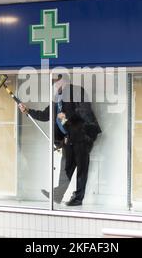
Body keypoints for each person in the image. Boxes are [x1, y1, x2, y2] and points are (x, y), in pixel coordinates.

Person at [18, 75, 101, 206]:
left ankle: (78, 198)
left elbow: (85, 112)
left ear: (66, 80)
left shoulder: (77, 91)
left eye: (57, 81)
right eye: (54, 82)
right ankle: (58, 194)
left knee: (81, 168)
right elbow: (46, 115)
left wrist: (67, 117)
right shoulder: (57, 97)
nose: (55, 84)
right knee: (66, 168)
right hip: (68, 138)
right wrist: (28, 111)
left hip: (82, 136)